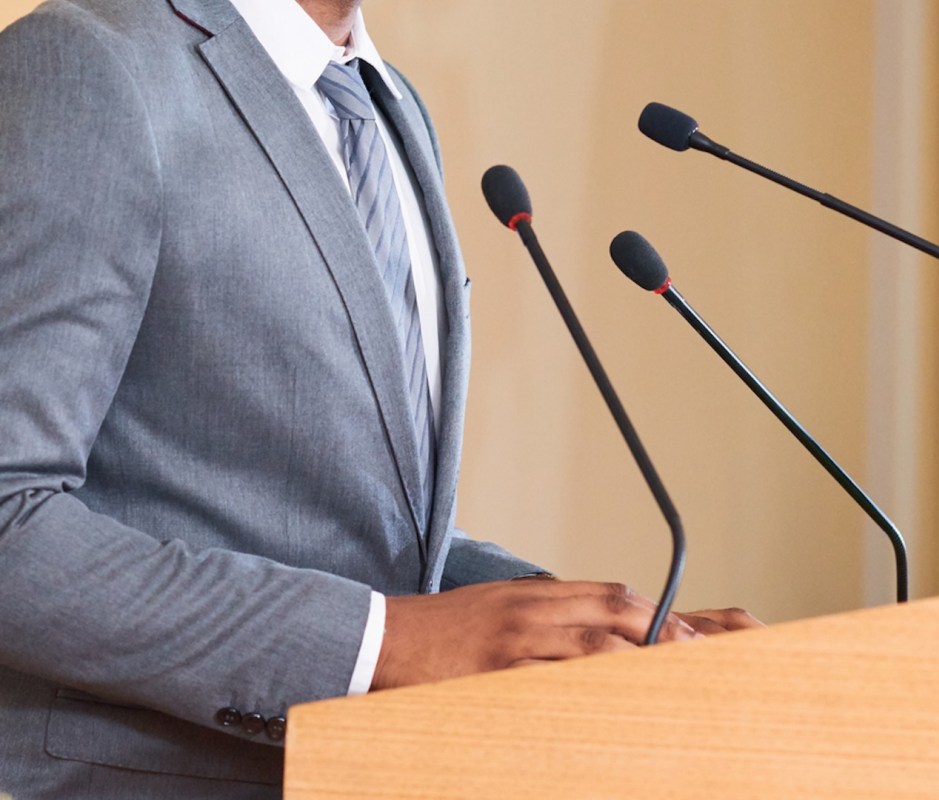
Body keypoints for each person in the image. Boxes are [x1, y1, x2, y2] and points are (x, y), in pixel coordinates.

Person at [0, 0, 758, 796]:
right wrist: (379, 641)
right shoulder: (89, 63)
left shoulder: (389, 101)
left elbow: (364, 527)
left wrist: (599, 636)